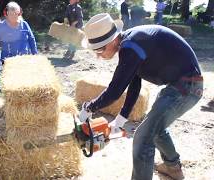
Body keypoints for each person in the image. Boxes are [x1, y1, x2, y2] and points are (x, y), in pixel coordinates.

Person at [79, 13, 203, 180]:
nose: (98, 55)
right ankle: (172, 167)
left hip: (187, 87)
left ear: (113, 40)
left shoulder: (131, 46)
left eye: (100, 49)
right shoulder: (131, 44)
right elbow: (134, 83)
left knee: (143, 137)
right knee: (155, 127)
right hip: (180, 85)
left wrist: (89, 107)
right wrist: (121, 118)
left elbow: (115, 90)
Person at [0, 1, 37, 93]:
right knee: (11, 85)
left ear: (19, 13)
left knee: (24, 82)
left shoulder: (24, 24)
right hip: (8, 60)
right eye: (11, 14)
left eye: (16, 14)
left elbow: (31, 39)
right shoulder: (1, 26)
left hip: (24, 58)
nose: (14, 16)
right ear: (6, 13)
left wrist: (35, 54)